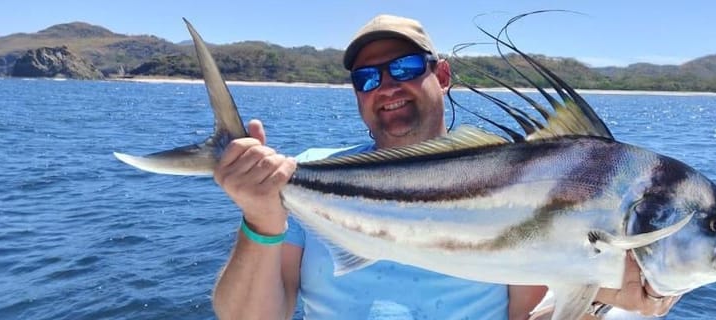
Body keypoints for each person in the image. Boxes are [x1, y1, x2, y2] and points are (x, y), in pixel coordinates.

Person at [211, 14, 679, 320]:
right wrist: (261, 220)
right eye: (368, 77)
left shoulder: (521, 185)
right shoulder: (305, 173)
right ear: (357, 93)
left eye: (407, 67)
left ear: (442, 76)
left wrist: (597, 298)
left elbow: (527, 316)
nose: (387, 86)